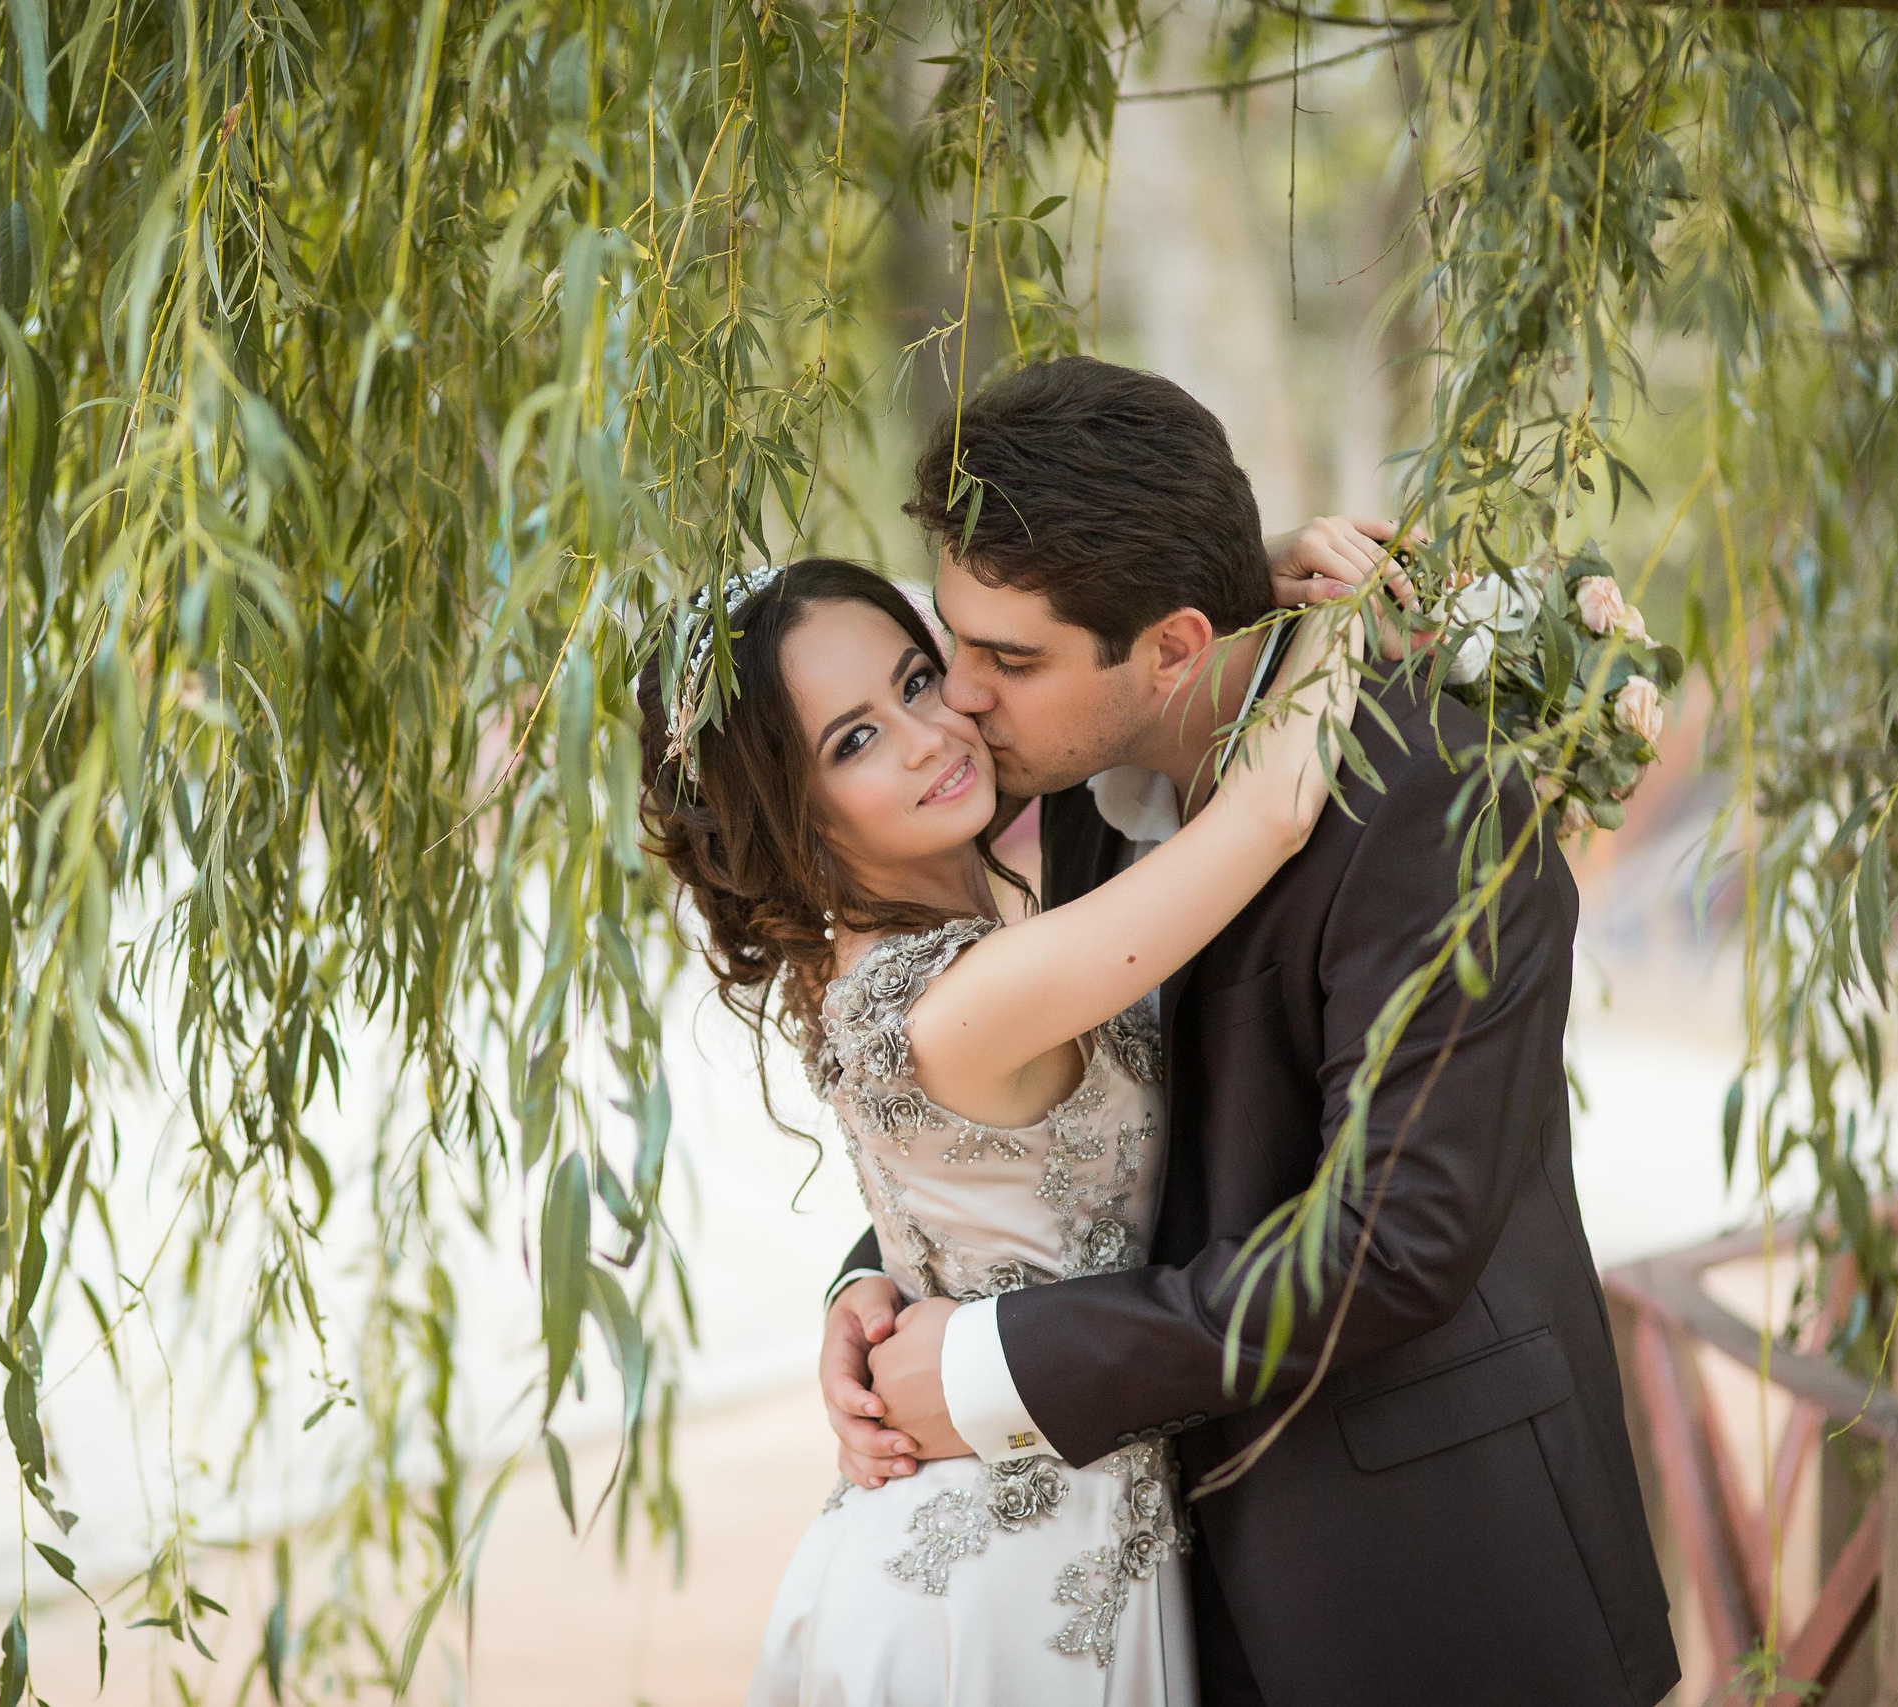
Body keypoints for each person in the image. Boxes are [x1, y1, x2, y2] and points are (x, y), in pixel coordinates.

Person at [817, 357, 1680, 1707]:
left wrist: (999, 1361)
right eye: (955, 645)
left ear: (1169, 646)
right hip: (1176, 1599)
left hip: (1429, 1586)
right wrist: (882, 1277)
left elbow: (1391, 1248)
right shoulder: (1098, 791)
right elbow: (1092, 1121)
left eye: (1010, 659)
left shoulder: (1430, 800)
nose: (965, 701)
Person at [638, 544, 1361, 1704]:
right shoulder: (971, 994)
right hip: (1006, 1586)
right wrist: (1343, 603)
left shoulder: (876, 957)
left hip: (1035, 1512)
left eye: (915, 682)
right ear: (793, 816)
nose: (930, 735)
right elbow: (1273, 809)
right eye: (854, 740)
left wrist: (1199, 585)